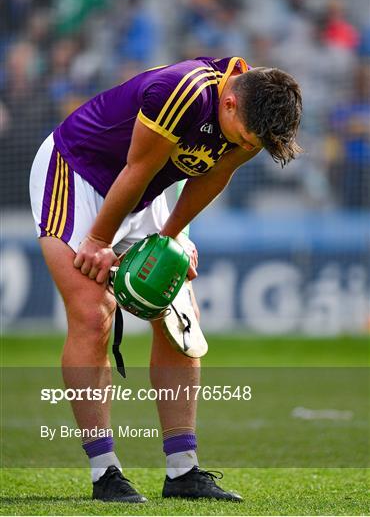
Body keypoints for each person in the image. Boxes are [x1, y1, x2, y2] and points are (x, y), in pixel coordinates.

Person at [29, 56, 302, 503]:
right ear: (228, 104)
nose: (247, 145)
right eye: (245, 138)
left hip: (147, 187)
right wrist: (98, 238)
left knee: (180, 317)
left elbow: (215, 174)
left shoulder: (255, 116)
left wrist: (172, 239)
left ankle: (183, 471)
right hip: (77, 173)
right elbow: (135, 167)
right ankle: (105, 472)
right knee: (93, 313)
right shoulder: (184, 91)